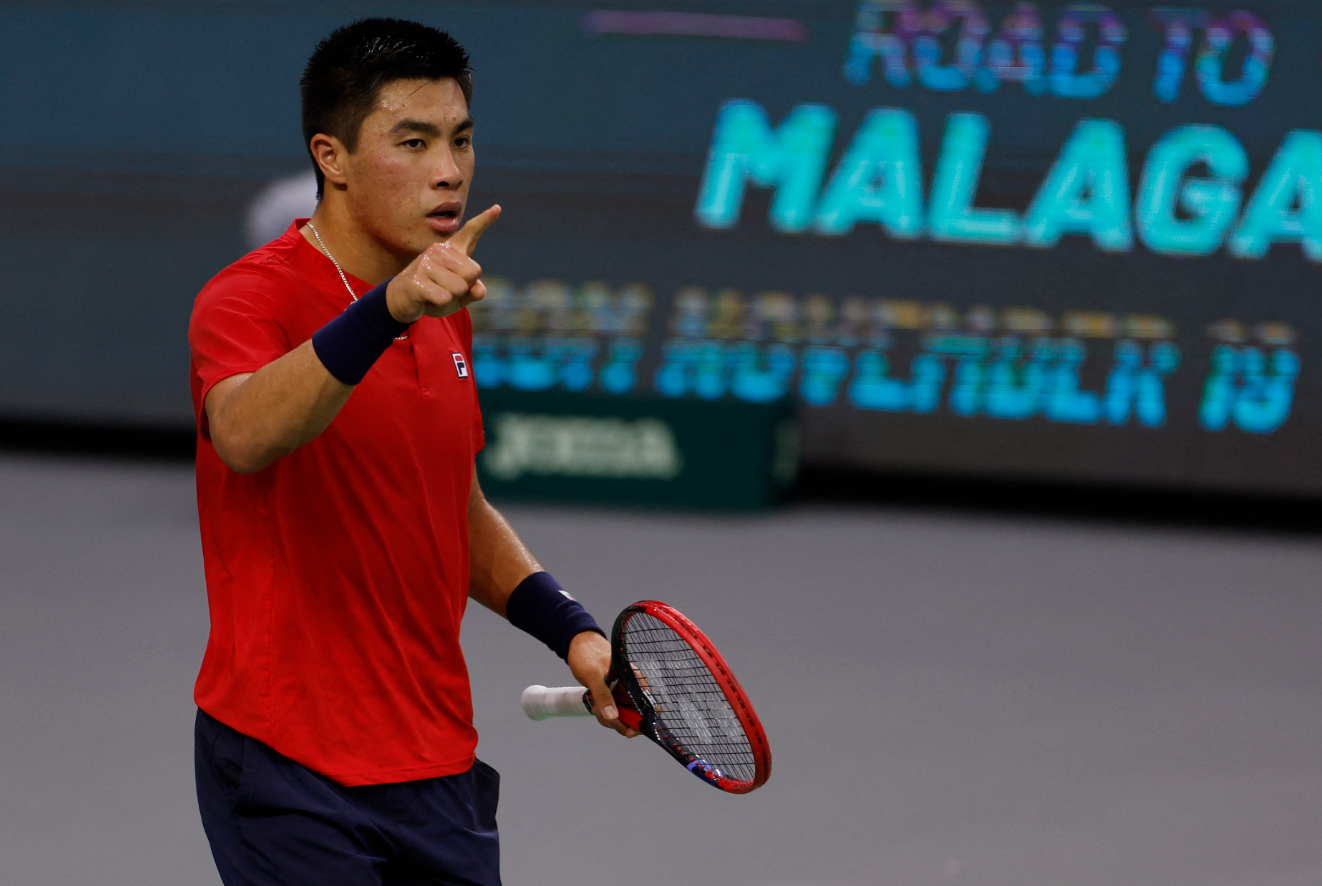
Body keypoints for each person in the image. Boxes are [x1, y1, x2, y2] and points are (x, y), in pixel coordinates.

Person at [188, 18, 633, 886]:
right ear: (333, 157)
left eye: (461, 139)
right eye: (414, 141)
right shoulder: (247, 299)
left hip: (434, 766)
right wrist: (386, 310)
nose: (450, 170)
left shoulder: (442, 305)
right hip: (289, 766)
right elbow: (242, 435)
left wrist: (569, 629)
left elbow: (450, 507)